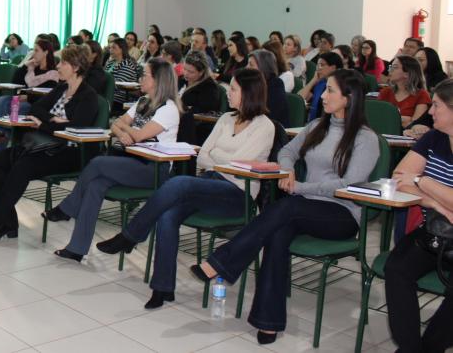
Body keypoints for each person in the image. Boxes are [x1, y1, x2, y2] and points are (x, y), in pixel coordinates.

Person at [192, 69, 378, 344]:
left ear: (349, 98)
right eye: (324, 89)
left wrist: (299, 187)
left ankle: (223, 261)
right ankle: (268, 321)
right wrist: (289, 170)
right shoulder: (317, 126)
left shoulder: (365, 139)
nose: (322, 95)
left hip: (341, 214)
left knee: (287, 207)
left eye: (330, 91)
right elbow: (287, 151)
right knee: (278, 232)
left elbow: (347, 185)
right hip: (305, 207)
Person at [96, 69, 274, 309]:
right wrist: (221, 160)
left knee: (178, 182)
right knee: (168, 215)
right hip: (209, 183)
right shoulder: (225, 119)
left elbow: (237, 166)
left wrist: (218, 158)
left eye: (232, 89)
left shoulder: (264, 126)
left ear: (249, 93)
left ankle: (130, 235)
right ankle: (163, 288)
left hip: (237, 195)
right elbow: (201, 157)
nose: (228, 93)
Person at [43, 58, 182, 262]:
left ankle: (68, 208)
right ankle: (76, 248)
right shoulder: (143, 101)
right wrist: (126, 132)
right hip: (132, 162)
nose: (140, 78)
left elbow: (140, 135)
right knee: (95, 186)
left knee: (98, 163)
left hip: (153, 170)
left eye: (145, 75)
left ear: (159, 80)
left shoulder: (168, 109)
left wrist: (128, 132)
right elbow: (116, 123)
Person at [0, 46, 99, 241]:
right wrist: (53, 120)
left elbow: (74, 128)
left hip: (70, 153)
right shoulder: (61, 88)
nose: (58, 66)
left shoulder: (88, 96)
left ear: (76, 67)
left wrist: (45, 124)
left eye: (63, 63)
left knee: (22, 166)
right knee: (1, 160)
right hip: (44, 145)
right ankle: (7, 222)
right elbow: (36, 108)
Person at [385, 79, 453, 353]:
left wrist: (423, 181)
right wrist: (435, 203)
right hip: (436, 230)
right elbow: (399, 178)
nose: (430, 111)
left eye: (436, 105)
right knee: (396, 268)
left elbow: (413, 178)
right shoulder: (433, 138)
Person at [0, 39, 59, 157]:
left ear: (46, 52)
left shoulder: (52, 73)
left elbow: (47, 94)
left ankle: (0, 147)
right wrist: (25, 66)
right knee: (2, 100)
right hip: (22, 99)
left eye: (37, 50)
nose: (33, 53)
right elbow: (15, 81)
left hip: (35, 105)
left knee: (15, 108)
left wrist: (28, 97)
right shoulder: (32, 68)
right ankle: (0, 132)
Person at [378, 55, 430, 126]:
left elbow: (415, 123)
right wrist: (406, 119)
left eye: (395, 67)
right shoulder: (385, 92)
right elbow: (378, 118)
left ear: (407, 74)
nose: (389, 70)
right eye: (391, 67)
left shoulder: (422, 94)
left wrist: (391, 118)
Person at [248, 49, 289, 128]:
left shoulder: (276, 84)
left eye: (251, 65)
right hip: (254, 127)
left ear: (263, 66)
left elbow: (270, 115)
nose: (247, 68)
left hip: (272, 130)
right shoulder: (252, 84)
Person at [299, 52, 343, 122]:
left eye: (322, 65)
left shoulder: (339, 87)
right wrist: (313, 80)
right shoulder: (320, 83)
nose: (318, 68)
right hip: (313, 124)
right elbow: (299, 99)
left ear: (333, 68)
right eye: (318, 65)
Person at [105, 37, 141, 113]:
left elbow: (118, 85)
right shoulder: (111, 62)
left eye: (114, 48)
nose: (110, 50)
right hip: (108, 95)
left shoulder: (127, 65)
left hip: (118, 99)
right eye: (110, 47)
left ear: (121, 49)